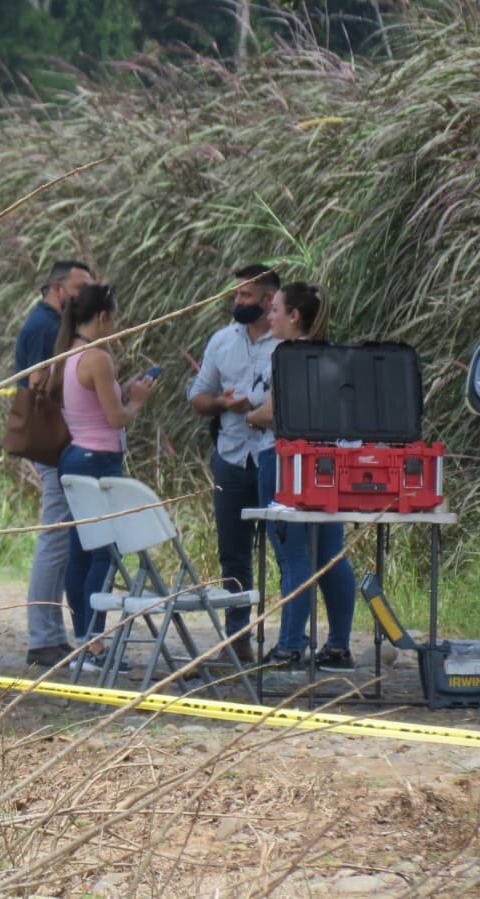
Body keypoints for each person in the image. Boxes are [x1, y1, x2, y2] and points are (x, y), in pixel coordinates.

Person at [243, 283, 357, 672]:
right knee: (330, 556)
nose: (269, 316)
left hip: (287, 461)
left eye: (274, 309)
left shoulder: (286, 355)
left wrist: (249, 414)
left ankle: (291, 645)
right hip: (331, 462)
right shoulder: (334, 356)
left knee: (293, 557)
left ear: (294, 316)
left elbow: (273, 412)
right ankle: (338, 645)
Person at [59, 283, 157, 671]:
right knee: (104, 552)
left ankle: (84, 640)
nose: (115, 324)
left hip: (75, 456)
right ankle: (96, 646)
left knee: (80, 552)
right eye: (113, 317)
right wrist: (137, 400)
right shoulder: (97, 358)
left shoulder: (69, 353)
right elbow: (116, 417)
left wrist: (123, 392)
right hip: (99, 459)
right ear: (102, 317)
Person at [186, 264, 281, 663]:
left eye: (246, 295)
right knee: (233, 552)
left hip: (274, 456)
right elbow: (197, 397)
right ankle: (238, 636)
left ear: (267, 298)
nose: (238, 301)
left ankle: (291, 641)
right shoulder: (222, 341)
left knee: (285, 546)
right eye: (237, 294)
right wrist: (223, 403)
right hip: (230, 457)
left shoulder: (287, 342)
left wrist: (260, 408)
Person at [16, 260, 93, 668]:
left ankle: (52, 633)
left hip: (55, 441)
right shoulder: (46, 327)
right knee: (55, 537)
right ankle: (43, 636)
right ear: (60, 289)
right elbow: (38, 384)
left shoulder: (45, 323)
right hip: (53, 441)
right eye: (81, 288)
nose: (84, 297)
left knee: (60, 539)